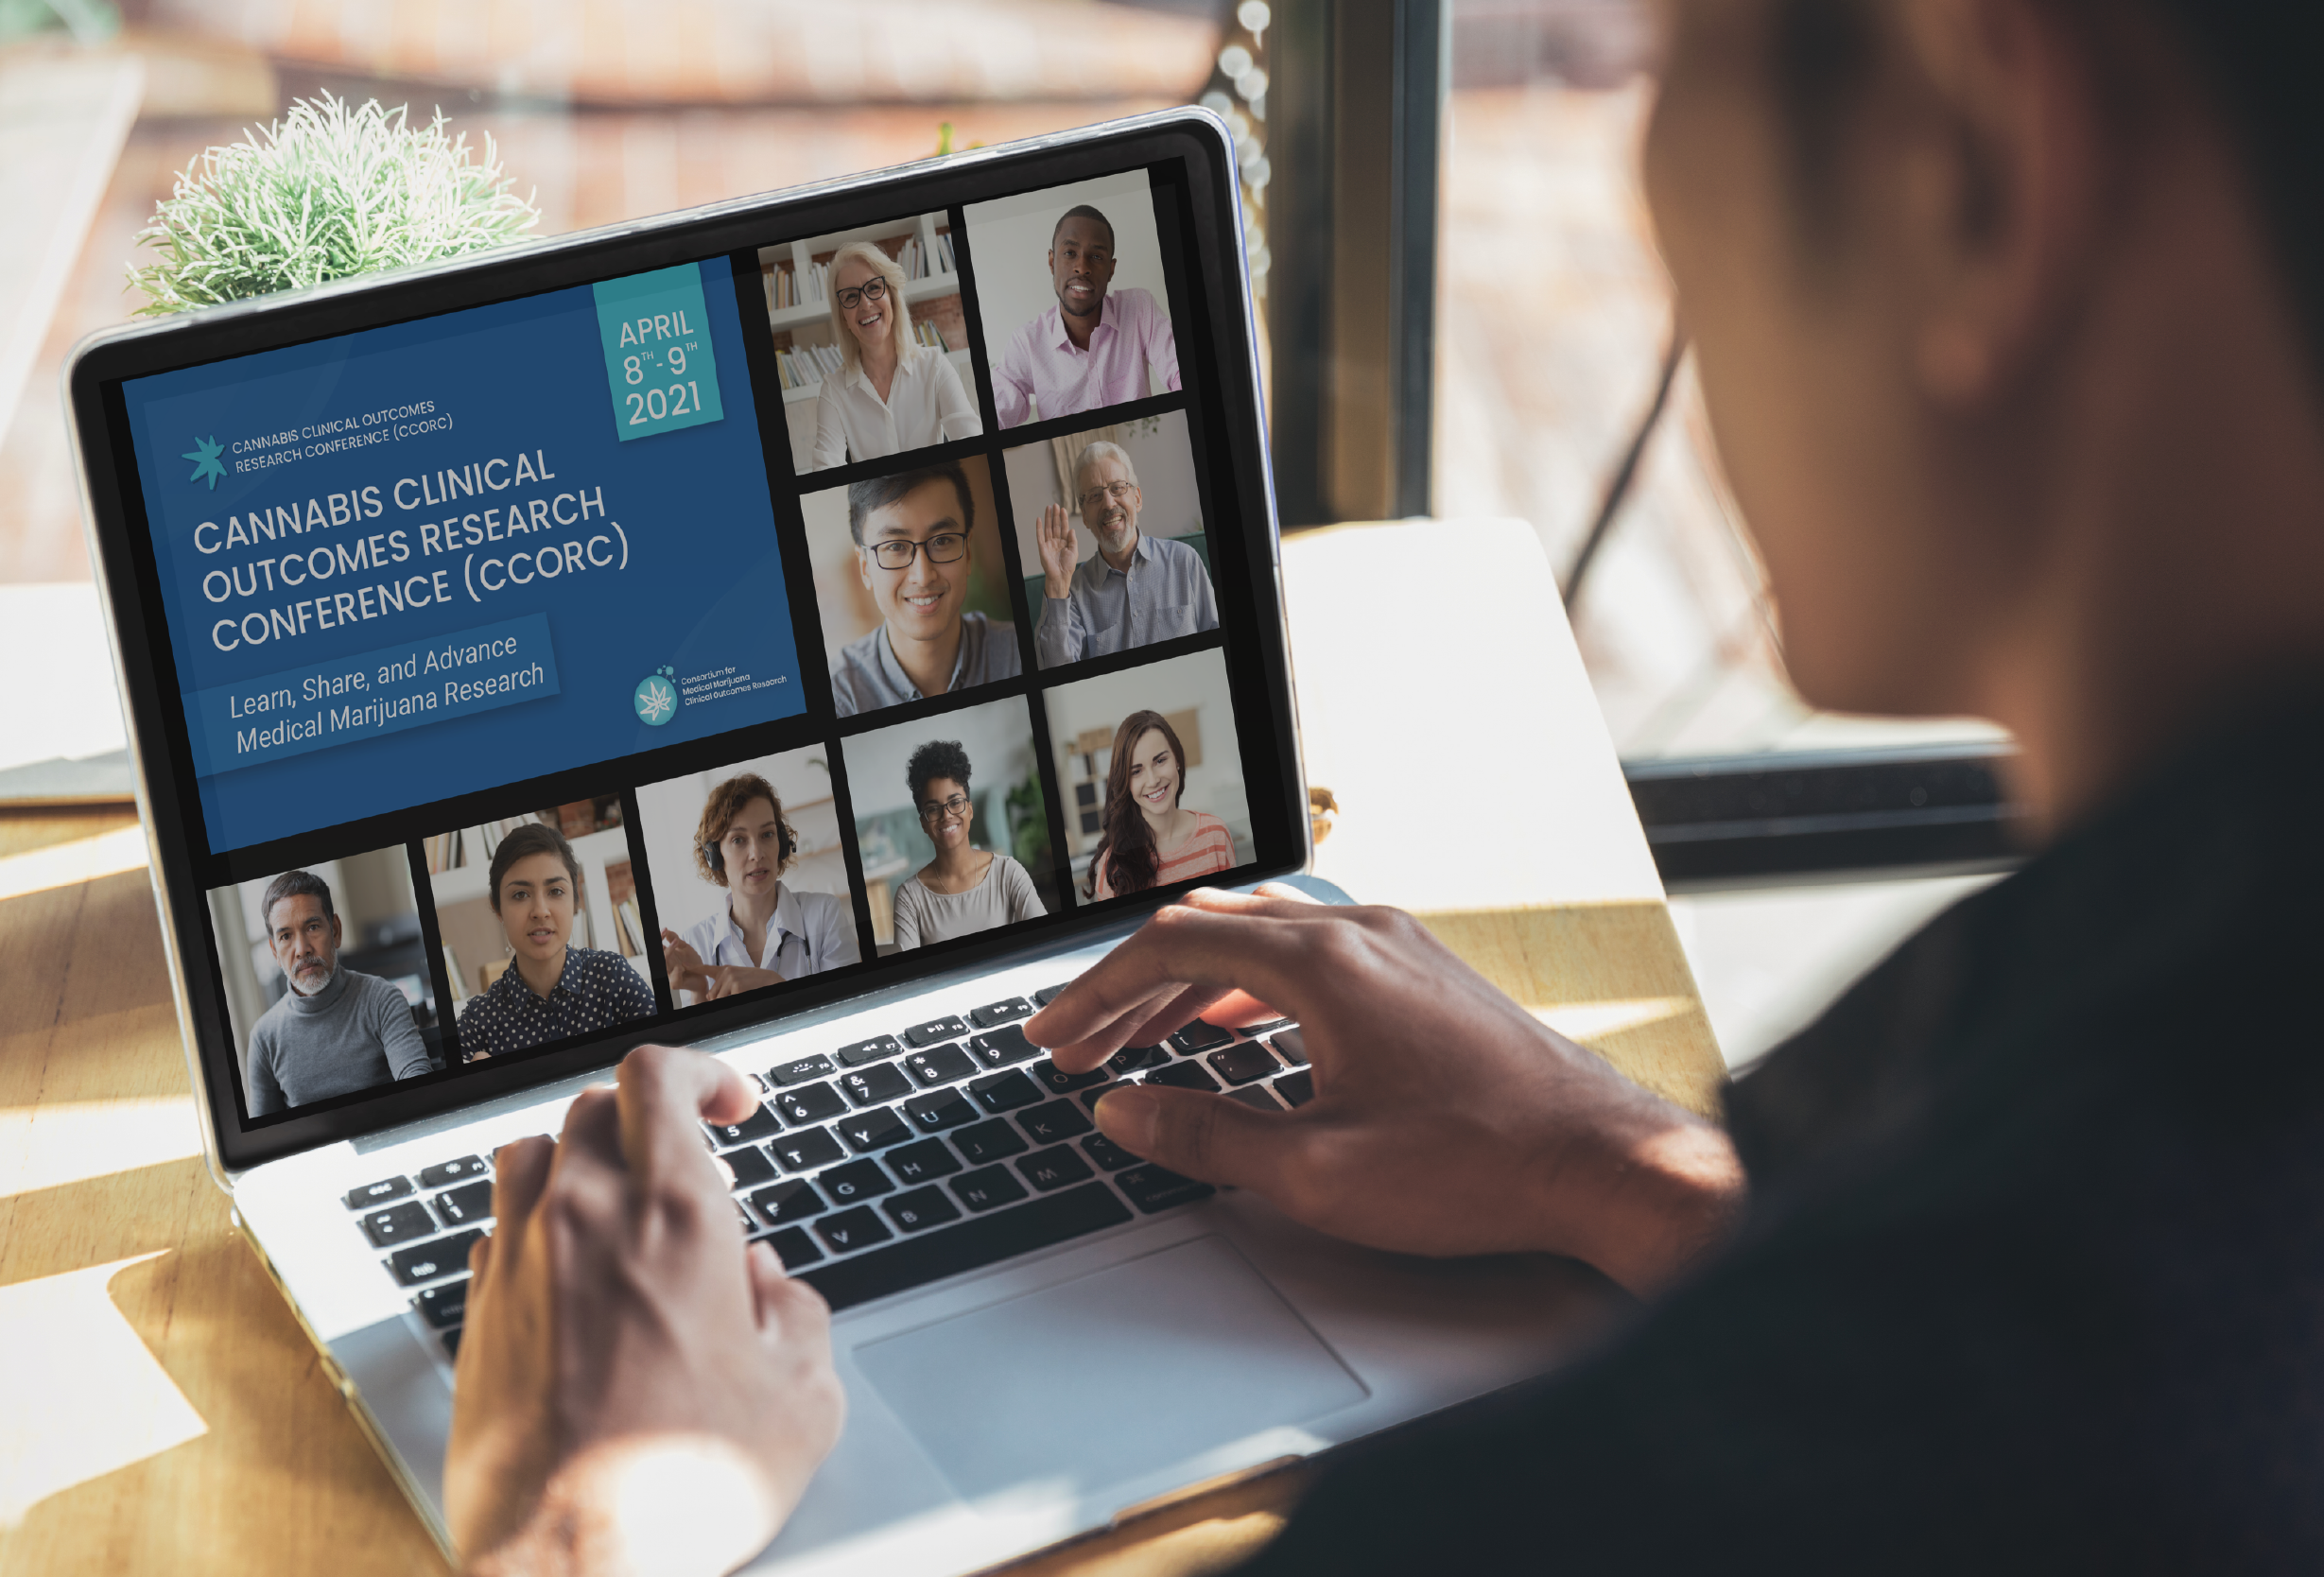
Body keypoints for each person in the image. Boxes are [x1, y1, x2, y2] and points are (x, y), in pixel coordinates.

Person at [445, 0, 2324, 1569]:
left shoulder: (1630, 1505)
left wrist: (599, 1520)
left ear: (1972, 169)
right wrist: (1617, 1168)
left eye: (1668, 52)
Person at [826, 463, 1023, 717]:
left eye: (942, 541)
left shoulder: (1018, 654)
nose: (923, 575)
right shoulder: (841, 697)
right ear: (865, 568)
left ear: (968, 554)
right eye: (896, 546)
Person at [455, 823, 655, 1060]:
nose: (540, 911)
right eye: (520, 895)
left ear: (575, 901)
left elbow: (666, 1060)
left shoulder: (613, 977)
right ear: (497, 909)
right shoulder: (478, 1021)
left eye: (556, 891)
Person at [244, 869, 430, 1116]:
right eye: (286, 936)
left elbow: (421, 1092)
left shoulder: (382, 1000)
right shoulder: (263, 1038)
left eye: (312, 927)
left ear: (336, 930)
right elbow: (264, 1142)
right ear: (275, 952)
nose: (302, 949)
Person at [662, 772, 858, 1000]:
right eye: (738, 840)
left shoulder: (824, 914)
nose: (757, 853)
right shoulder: (696, 942)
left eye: (767, 834)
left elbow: (853, 1014)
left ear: (782, 844)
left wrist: (776, 985)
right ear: (714, 855)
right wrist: (698, 992)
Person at [989, 204, 1182, 426]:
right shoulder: (1026, 343)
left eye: (1096, 256)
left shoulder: (1139, 309)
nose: (1082, 267)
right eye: (1070, 253)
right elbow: (996, 418)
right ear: (1052, 262)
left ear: (1111, 269)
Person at [1034, 440, 1219, 668]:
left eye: (1118, 488)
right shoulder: (1073, 592)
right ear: (1084, 516)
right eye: (1094, 496)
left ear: (1137, 498)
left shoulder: (1185, 561)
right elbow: (1055, 674)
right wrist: (1057, 586)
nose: (1109, 503)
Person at [804, 240, 980, 473]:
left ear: (892, 298)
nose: (865, 304)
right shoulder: (833, 391)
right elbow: (825, 472)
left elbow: (975, 446)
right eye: (850, 297)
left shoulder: (934, 366)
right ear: (843, 317)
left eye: (874, 288)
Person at [890, 738, 1049, 950]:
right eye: (933, 809)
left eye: (955, 802)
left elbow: (1047, 943)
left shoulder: (1008, 872)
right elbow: (908, 978)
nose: (946, 815)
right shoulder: (909, 898)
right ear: (923, 823)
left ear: (970, 810)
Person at [1086, 709, 1234, 900]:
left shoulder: (1216, 834)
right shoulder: (1114, 863)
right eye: (1136, 771)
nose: (1153, 780)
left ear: (1177, 761)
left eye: (1160, 760)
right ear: (1126, 783)